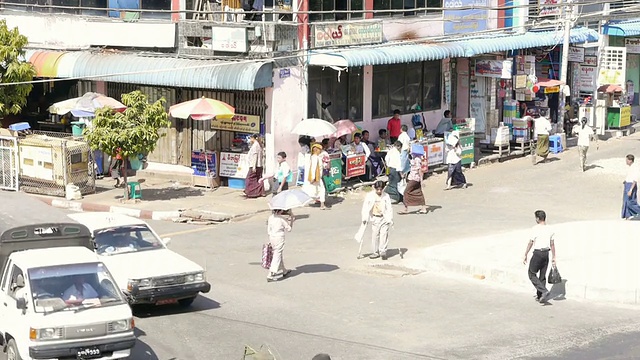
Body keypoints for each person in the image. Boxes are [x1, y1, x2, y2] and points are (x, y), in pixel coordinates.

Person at [522, 210, 556, 304]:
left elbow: (531, 242)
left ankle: (544, 291)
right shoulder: (550, 229)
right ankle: (540, 296)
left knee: (531, 274)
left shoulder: (535, 228)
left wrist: (526, 253)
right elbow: (552, 244)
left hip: (537, 253)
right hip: (546, 253)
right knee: (542, 275)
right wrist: (554, 257)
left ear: (537, 218)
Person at [361, 181, 394, 260]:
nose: (379, 191)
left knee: (384, 234)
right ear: (374, 188)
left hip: (384, 218)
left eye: (381, 189)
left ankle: (383, 251)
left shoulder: (386, 196)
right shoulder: (370, 196)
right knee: (375, 235)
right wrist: (365, 218)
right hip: (375, 218)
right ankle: (375, 252)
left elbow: (389, 208)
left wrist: (390, 218)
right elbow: (365, 207)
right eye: (377, 189)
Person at [266, 209, 294, 282]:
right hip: (279, 237)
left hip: (272, 237)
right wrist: (291, 219)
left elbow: (269, 230)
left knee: (278, 253)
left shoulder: (270, 217)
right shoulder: (281, 219)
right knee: (277, 254)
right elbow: (289, 229)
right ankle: (271, 273)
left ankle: (284, 270)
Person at [399, 147, 428, 215]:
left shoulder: (417, 159)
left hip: (414, 178)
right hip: (414, 177)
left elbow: (419, 170)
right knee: (418, 192)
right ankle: (424, 208)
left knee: (406, 192)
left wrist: (421, 181)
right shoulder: (414, 158)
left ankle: (405, 208)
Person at [303, 143, 328, 210]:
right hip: (316, 177)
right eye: (319, 149)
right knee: (321, 190)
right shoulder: (315, 157)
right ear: (316, 150)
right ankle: (322, 205)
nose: (320, 151)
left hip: (318, 177)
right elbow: (313, 168)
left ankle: (320, 203)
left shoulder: (316, 157)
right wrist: (313, 178)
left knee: (317, 190)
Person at [244, 134, 265, 198]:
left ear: (254, 138)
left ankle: (252, 192)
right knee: (258, 179)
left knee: (249, 179)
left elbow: (255, 156)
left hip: (255, 165)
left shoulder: (256, 145)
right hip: (259, 165)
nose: (250, 140)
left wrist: (253, 166)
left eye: (251, 138)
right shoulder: (259, 145)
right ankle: (261, 192)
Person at [622, 154, 640, 220]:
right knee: (626, 201)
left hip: (631, 185)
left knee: (631, 202)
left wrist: (631, 190)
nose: (626, 161)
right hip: (627, 184)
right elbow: (630, 176)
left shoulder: (635, 167)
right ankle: (628, 215)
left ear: (630, 160)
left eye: (627, 160)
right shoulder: (630, 167)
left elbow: (635, 180)